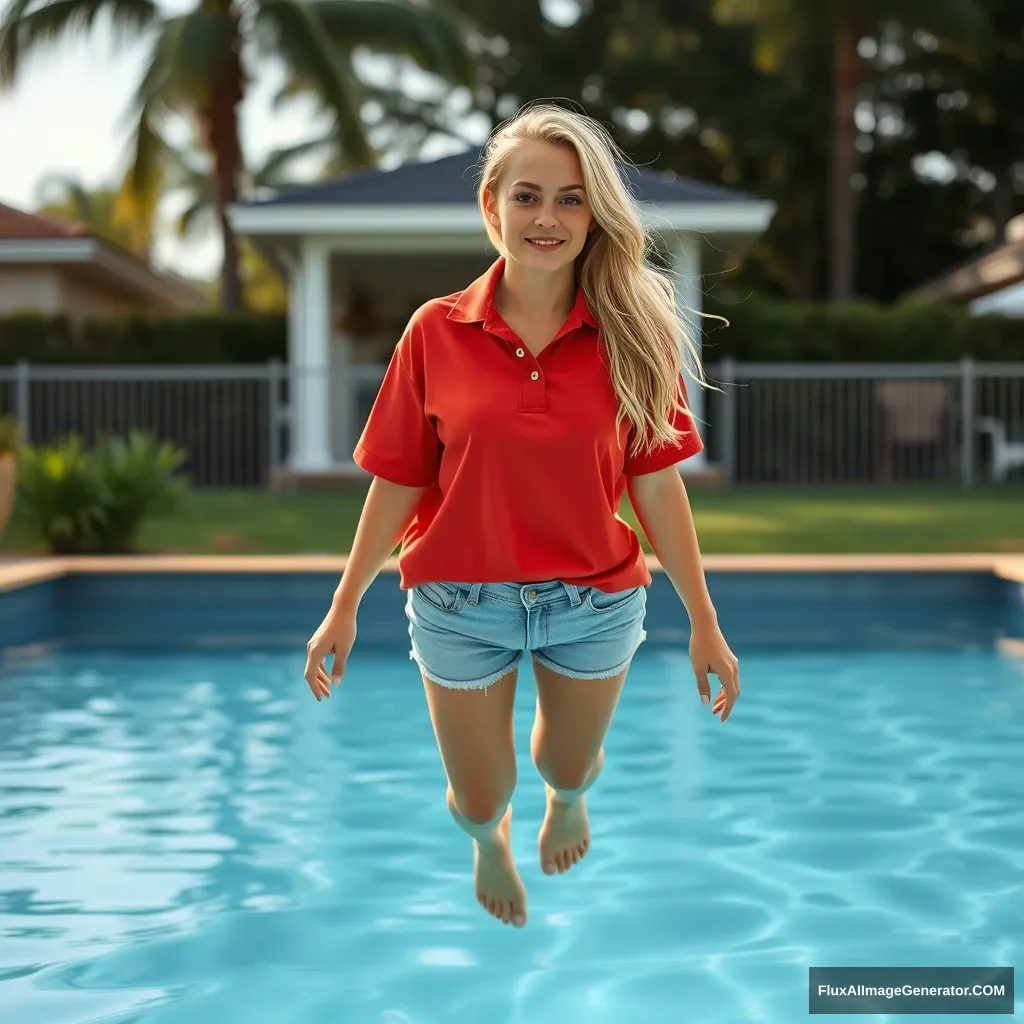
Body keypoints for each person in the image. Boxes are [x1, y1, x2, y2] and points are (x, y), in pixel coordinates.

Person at [303, 102, 740, 931]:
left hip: (596, 602)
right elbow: (397, 480)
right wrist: (344, 603)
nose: (549, 218)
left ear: (594, 213)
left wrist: (705, 622)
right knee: (480, 795)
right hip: (459, 604)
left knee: (564, 763)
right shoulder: (434, 331)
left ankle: (568, 800)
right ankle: (488, 844)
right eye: (529, 196)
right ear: (492, 206)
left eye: (572, 199)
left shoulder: (635, 333)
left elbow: (656, 485)